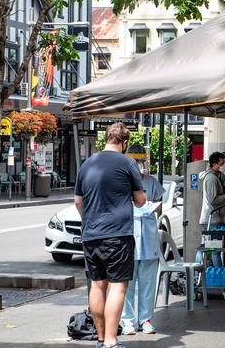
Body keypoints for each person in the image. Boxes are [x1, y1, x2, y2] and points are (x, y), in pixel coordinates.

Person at [74, 122, 146, 348]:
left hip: (91, 235)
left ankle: (102, 338)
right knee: (117, 286)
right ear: (124, 142)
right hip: (118, 235)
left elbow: (78, 201)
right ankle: (112, 342)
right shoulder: (128, 163)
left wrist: (91, 220)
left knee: (97, 285)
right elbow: (141, 200)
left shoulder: (87, 164)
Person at [121, 145, 165, 335]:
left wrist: (153, 208)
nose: (138, 165)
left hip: (148, 239)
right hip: (128, 238)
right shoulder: (121, 182)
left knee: (147, 283)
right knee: (127, 284)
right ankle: (127, 321)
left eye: (140, 161)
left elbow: (159, 206)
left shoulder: (151, 182)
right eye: (135, 161)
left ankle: (145, 319)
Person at [198, 152, 225, 266]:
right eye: (222, 163)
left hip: (214, 219)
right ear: (215, 164)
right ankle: (214, 275)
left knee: (212, 250)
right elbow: (213, 200)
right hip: (211, 220)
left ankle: (202, 275)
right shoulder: (211, 179)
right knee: (214, 251)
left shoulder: (216, 177)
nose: (224, 166)